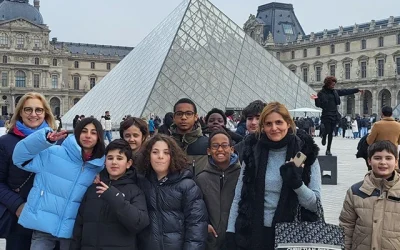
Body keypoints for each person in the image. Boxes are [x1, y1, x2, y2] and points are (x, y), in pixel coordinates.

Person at [226, 102, 321, 250]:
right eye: (268, 124)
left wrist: (297, 184)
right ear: (263, 126)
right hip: (255, 233)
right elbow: (239, 196)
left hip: (293, 234)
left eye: (279, 122)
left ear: (288, 123)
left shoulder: (304, 153)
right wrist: (230, 232)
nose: (274, 128)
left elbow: (314, 205)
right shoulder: (253, 151)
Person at [12, 118, 105, 250]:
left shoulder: (100, 167)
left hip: (73, 230)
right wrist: (43, 140)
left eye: (93, 132)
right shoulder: (53, 153)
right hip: (43, 224)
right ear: (77, 133)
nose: (88, 135)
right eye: (84, 131)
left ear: (99, 137)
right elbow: (19, 158)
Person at [0, 92, 57, 250]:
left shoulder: (58, 142)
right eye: (28, 110)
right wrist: (18, 205)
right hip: (19, 219)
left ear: (45, 112)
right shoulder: (5, 143)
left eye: (38, 110)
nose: (33, 114)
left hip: (49, 219)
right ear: (20, 113)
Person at [70, 139, 149, 250]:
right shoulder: (93, 189)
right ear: (105, 161)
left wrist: (115, 197)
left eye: (119, 158)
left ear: (128, 163)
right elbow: (79, 226)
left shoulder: (135, 191)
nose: (114, 162)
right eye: (110, 158)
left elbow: (138, 223)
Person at [136, 134, 208, 250]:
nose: (160, 156)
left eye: (166, 152)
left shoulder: (187, 186)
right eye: (155, 152)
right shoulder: (140, 183)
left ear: (173, 156)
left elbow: (196, 225)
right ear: (147, 156)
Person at [339, 140, 400, 250]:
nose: (383, 162)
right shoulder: (356, 191)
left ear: (396, 162)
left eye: (388, 158)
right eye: (377, 158)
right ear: (369, 161)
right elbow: (346, 226)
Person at [196, 130, 240, 250]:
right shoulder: (201, 178)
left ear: (232, 149)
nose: (220, 150)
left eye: (224, 145)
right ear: (208, 151)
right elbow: (196, 208)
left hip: (237, 238)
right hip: (210, 240)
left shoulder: (241, 176)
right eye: (215, 146)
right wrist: (204, 225)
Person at [312, 76, 361, 155]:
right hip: (326, 114)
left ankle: (328, 149)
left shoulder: (335, 92)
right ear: (328, 84)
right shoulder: (321, 93)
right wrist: (316, 99)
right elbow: (318, 105)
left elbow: (345, 91)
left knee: (331, 132)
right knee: (327, 130)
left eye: (334, 84)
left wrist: (356, 90)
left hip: (334, 114)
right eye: (332, 84)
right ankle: (324, 135)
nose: (333, 86)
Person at [171, 98, 208, 175]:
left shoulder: (208, 144)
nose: (183, 117)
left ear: (196, 117)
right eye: (179, 113)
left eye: (188, 113)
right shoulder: (165, 145)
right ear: (174, 117)